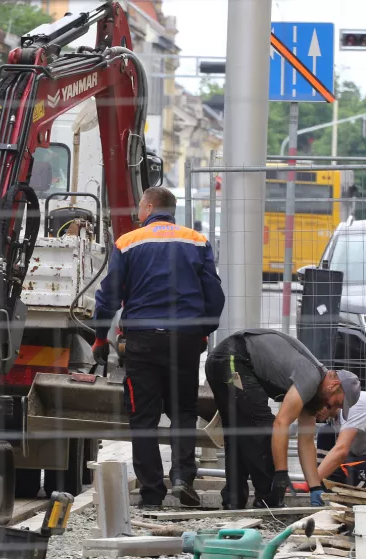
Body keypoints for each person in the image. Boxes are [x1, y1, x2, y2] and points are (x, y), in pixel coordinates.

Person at [91, 186, 225, 508]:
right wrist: (202, 330)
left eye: (140, 206)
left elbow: (109, 295)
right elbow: (215, 296)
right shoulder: (196, 241)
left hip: (142, 341)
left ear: (149, 207)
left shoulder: (127, 242)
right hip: (185, 341)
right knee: (182, 412)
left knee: (143, 418)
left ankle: (152, 493)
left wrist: (99, 335)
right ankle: (181, 478)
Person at [204, 329, 361, 510]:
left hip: (223, 360)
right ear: (334, 386)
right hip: (232, 358)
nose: (332, 410)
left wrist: (315, 487)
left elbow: (306, 441)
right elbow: (281, 423)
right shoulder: (311, 377)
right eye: (336, 404)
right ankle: (269, 500)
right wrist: (280, 473)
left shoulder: (313, 396)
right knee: (263, 430)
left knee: (240, 434)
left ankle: (234, 501)